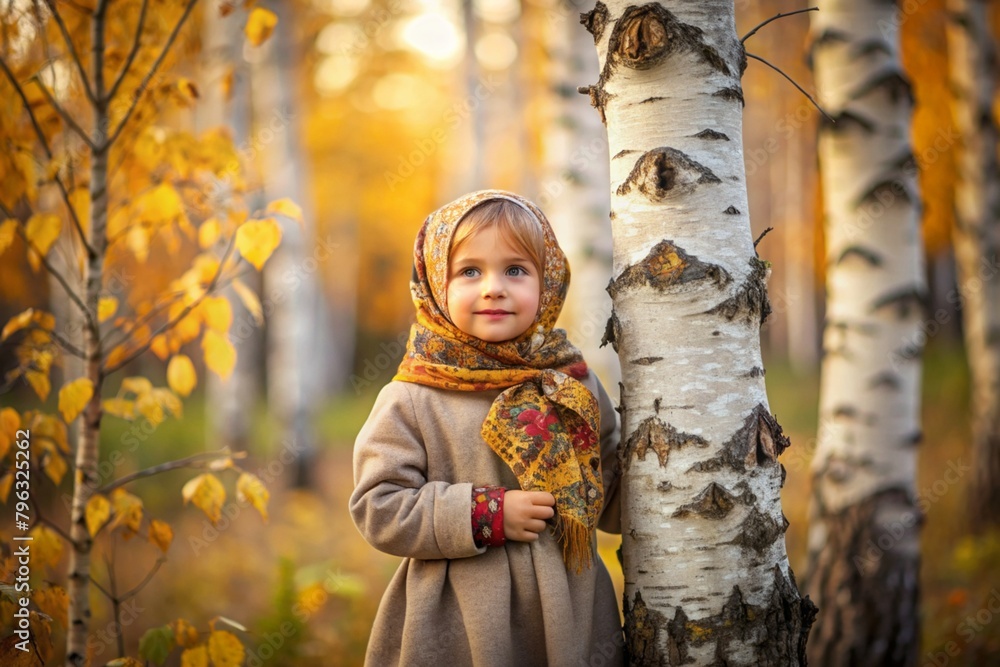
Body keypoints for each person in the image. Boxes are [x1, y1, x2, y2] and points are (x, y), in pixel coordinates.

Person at [349, 189, 624, 666]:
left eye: (516, 270)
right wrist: (486, 512)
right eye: (469, 271)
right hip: (458, 621)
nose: (493, 287)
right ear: (436, 283)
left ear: (549, 281)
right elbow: (379, 507)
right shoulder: (414, 395)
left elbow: (613, 491)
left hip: (569, 615)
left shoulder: (570, 384)